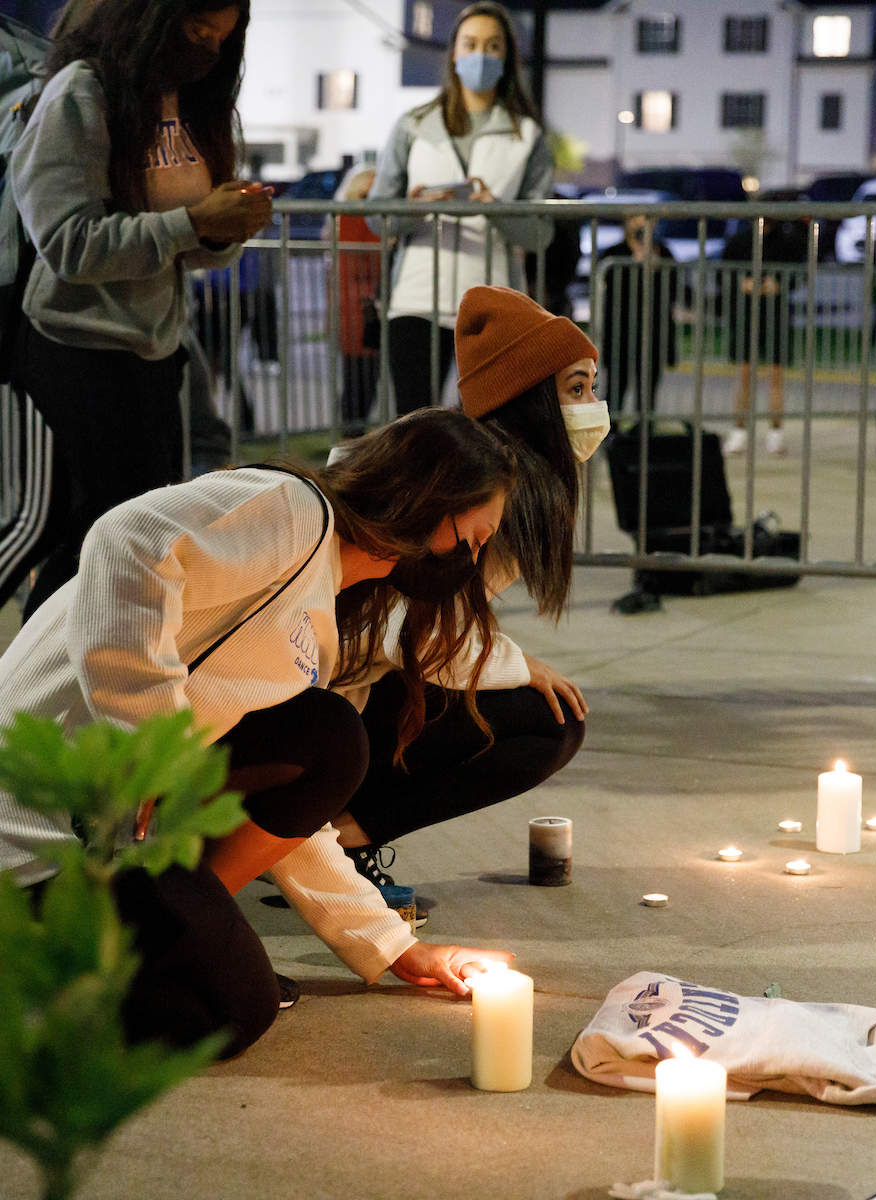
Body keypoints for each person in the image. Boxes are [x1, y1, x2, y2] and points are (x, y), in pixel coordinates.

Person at [0, 409, 517, 1056]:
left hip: (112, 825)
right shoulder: (297, 512)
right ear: (424, 495)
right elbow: (125, 538)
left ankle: (122, 943)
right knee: (235, 1011)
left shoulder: (318, 600)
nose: (468, 561)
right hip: (41, 813)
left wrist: (394, 948)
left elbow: (299, 833)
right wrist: (151, 742)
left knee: (332, 740)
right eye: (471, 537)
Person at [277, 286, 602, 917]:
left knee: (539, 710)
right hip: (312, 694)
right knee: (549, 721)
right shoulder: (484, 484)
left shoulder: (466, 459)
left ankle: (322, 841)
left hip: (338, 685)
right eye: (578, 389)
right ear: (532, 397)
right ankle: (325, 845)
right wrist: (520, 666)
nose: (595, 408)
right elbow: (412, 630)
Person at [0, 0, 272, 622]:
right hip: (75, 347)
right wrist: (191, 224)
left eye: (220, 40)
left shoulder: (188, 105)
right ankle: (35, 689)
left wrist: (221, 230)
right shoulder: (82, 93)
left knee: (128, 540)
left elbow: (181, 251)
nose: (205, 49)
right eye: (197, 29)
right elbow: (68, 242)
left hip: (153, 348)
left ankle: (75, 688)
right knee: (93, 539)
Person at [368, 1, 553, 414]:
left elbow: (541, 234)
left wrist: (495, 208)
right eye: (470, 44)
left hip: (494, 302)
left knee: (491, 430)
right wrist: (414, 208)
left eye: (493, 46)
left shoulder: (527, 135)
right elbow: (376, 217)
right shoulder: (413, 124)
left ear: (507, 56)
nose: (480, 55)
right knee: (417, 428)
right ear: (453, 53)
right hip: (416, 297)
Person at [721, 202, 808, 457]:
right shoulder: (740, 241)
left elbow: (798, 273)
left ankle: (776, 435)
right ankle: (739, 433)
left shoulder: (786, 242)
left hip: (777, 315)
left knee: (776, 375)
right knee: (744, 373)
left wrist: (779, 284)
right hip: (746, 316)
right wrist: (741, 283)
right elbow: (723, 273)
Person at [600, 214, 677, 416]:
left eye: (647, 220)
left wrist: (656, 266)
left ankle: (643, 431)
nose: (642, 225)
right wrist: (632, 264)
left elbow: (675, 288)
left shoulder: (663, 252)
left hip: (653, 329)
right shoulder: (614, 253)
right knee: (617, 385)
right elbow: (608, 286)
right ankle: (611, 431)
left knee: (648, 386)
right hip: (621, 329)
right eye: (636, 219)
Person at [334, 165, 382, 431]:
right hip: (362, 315)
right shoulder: (357, 219)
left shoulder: (347, 218)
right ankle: (348, 446)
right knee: (360, 387)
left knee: (359, 385)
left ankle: (349, 442)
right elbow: (365, 265)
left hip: (357, 312)